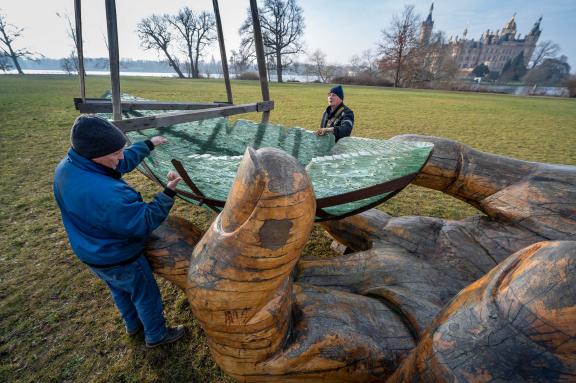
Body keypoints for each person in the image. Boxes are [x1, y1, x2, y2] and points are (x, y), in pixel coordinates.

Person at [53, 115, 186, 348]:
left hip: (92, 253)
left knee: (119, 289)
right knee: (145, 294)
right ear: (97, 154)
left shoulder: (69, 167)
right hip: (120, 256)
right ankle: (156, 335)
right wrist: (167, 194)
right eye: (116, 153)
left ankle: (133, 325)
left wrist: (148, 144)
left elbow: (119, 163)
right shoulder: (106, 194)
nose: (121, 156)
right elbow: (143, 221)